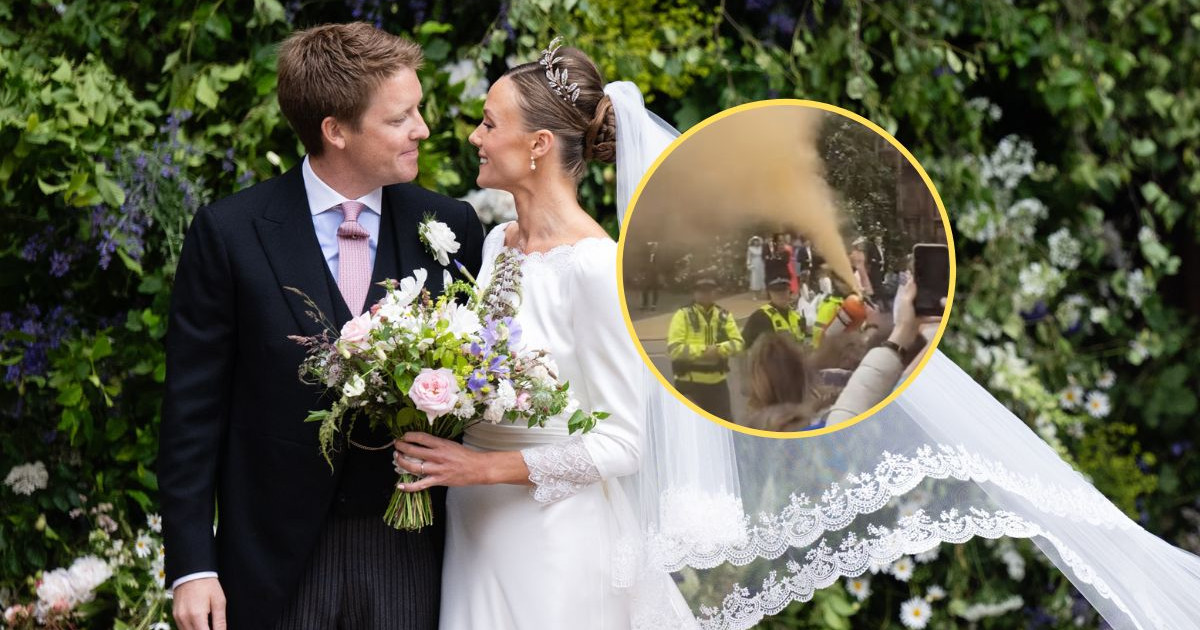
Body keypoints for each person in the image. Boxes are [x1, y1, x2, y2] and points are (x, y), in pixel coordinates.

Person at [158, 23, 485, 630]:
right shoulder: (230, 233)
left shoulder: (451, 224)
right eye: (401, 118)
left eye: (418, 110)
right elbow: (190, 414)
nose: (423, 129)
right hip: (272, 557)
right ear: (335, 130)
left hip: (411, 550)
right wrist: (192, 567)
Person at [388, 40, 696, 628]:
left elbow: (623, 444)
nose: (475, 136)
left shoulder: (597, 266)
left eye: (488, 123)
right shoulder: (498, 242)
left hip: (554, 538)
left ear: (538, 145)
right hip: (474, 525)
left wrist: (480, 468)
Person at [666, 274, 745, 420]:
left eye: (709, 290)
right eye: (701, 290)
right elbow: (675, 349)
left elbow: (738, 344)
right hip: (689, 385)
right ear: (694, 292)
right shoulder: (682, 315)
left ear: (715, 292)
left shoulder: (724, 316)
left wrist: (719, 350)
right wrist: (703, 352)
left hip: (717, 385)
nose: (706, 294)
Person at [741, 276, 806, 351]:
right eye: (776, 292)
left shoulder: (795, 315)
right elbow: (746, 343)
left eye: (784, 291)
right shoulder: (760, 316)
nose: (781, 295)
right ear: (770, 293)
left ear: (789, 291)